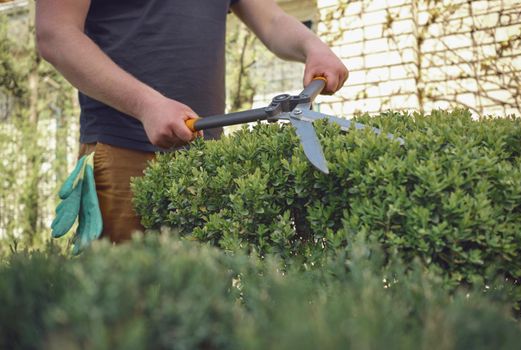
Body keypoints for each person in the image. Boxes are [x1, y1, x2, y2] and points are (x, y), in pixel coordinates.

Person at [36, 0, 349, 244]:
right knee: (125, 318)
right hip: (122, 157)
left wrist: (313, 46)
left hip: (206, 165)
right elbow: (56, 33)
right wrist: (147, 105)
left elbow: (272, 20)